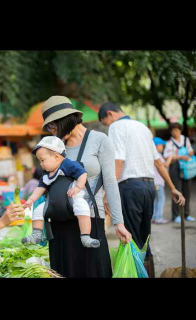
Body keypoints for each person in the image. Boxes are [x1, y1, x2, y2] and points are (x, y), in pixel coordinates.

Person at [33, 96, 132, 278]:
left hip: (91, 220)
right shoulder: (55, 146)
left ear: (65, 120)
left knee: (94, 271)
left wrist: (119, 223)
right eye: (49, 128)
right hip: (59, 221)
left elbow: (110, 182)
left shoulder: (99, 140)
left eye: (52, 126)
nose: (51, 131)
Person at [98, 102, 185, 278]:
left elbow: (119, 161)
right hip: (148, 187)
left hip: (129, 188)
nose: (108, 125)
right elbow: (158, 162)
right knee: (144, 239)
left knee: (131, 238)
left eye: (106, 122)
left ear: (110, 114)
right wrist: (173, 188)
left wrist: (108, 191)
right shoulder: (142, 127)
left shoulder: (115, 127)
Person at [22, 136, 100, 248]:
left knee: (83, 209)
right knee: (38, 211)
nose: (41, 164)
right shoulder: (46, 173)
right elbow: (40, 187)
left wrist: (78, 187)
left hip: (72, 199)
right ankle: (37, 234)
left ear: (56, 156)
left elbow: (82, 173)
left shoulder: (67, 164)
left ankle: (85, 236)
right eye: (39, 161)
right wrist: (31, 200)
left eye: (42, 160)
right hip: (52, 202)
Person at [163, 122, 195, 223]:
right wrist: (180, 157)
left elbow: (190, 150)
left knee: (187, 191)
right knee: (177, 191)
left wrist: (190, 152)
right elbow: (166, 157)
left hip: (187, 168)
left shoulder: (186, 139)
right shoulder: (169, 143)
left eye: (176, 130)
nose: (174, 132)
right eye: (172, 131)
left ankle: (186, 214)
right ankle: (176, 215)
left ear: (180, 130)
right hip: (175, 168)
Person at [152, 137, 173, 224]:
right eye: (161, 145)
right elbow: (166, 165)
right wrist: (171, 156)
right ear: (156, 146)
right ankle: (158, 218)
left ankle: (154, 217)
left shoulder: (151, 155)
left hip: (153, 182)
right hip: (158, 182)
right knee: (161, 199)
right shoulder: (158, 155)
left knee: (155, 200)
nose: (162, 147)